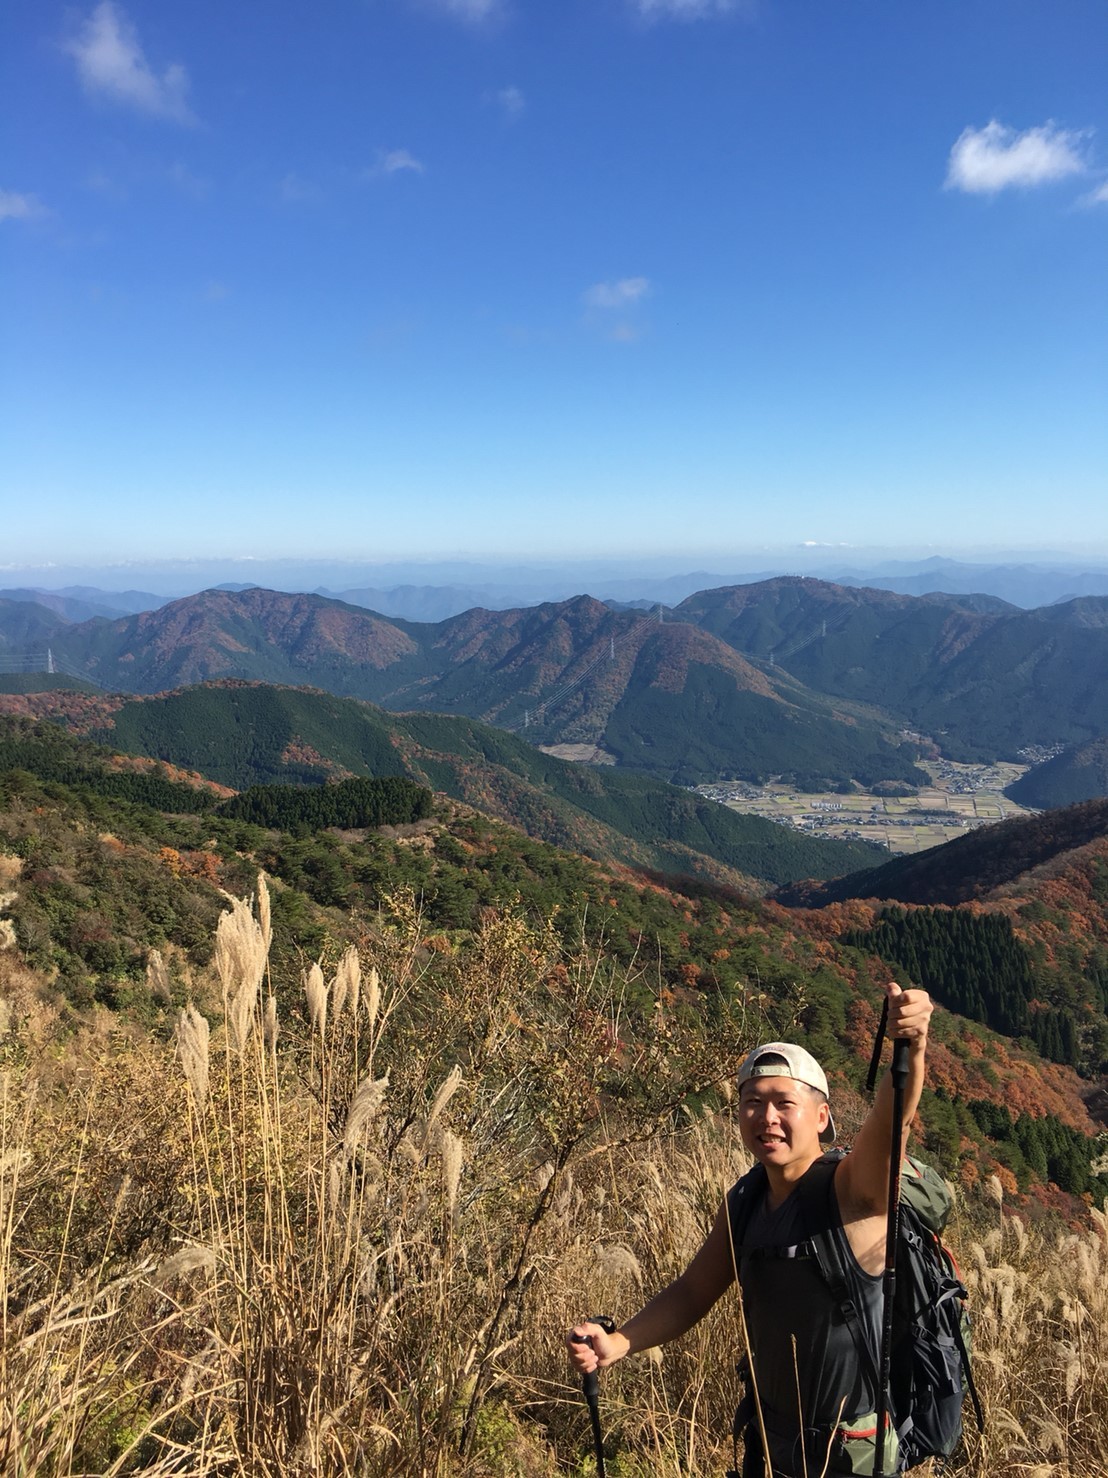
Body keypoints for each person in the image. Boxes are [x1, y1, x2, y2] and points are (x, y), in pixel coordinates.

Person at [566, 979, 934, 1477]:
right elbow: (695, 1291)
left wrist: (912, 1044)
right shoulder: (744, 1200)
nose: (767, 1117)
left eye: (785, 1102)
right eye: (752, 1102)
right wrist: (620, 1342)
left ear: (822, 1116)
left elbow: (896, 1121)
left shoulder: (851, 1192)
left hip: (848, 1457)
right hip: (769, 1448)